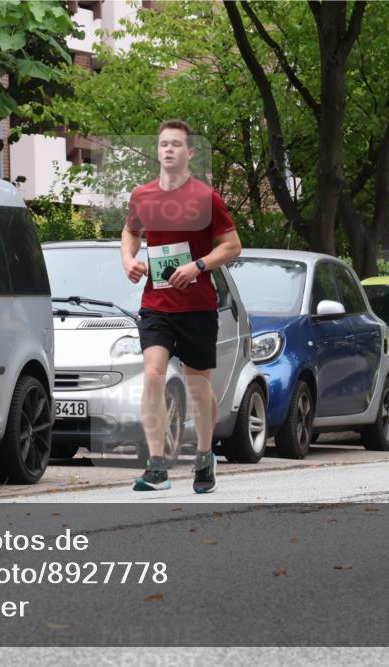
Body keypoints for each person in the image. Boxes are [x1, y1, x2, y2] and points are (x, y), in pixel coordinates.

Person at [121, 119, 242, 492]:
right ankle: (157, 466)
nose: (168, 150)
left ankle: (205, 455)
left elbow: (232, 246)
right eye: (163, 144)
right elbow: (130, 232)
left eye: (176, 144)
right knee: (154, 374)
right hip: (156, 303)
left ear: (190, 152)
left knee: (197, 386)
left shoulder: (206, 198)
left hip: (197, 306)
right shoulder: (143, 196)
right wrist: (129, 260)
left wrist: (198, 265)